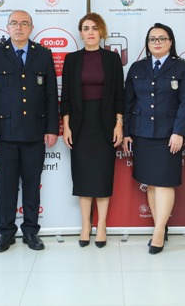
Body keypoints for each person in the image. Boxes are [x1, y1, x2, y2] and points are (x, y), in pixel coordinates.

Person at [0, 10, 59, 253]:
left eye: (24, 23)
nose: (19, 27)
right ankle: (6, 233)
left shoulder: (43, 54)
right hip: (4, 134)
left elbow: (50, 95)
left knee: (32, 185)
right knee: (6, 187)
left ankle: (30, 232)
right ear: (7, 27)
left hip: (35, 132)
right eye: (14, 23)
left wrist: (52, 128)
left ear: (31, 28)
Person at [123, 23, 185, 255]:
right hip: (142, 133)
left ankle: (159, 232)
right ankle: (159, 226)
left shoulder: (182, 68)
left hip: (168, 134)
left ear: (170, 42)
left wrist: (179, 132)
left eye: (162, 38)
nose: (157, 42)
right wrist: (126, 132)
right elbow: (128, 102)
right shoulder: (137, 67)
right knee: (151, 183)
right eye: (152, 39)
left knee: (164, 182)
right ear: (147, 43)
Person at [60, 13, 124, 248]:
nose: (90, 32)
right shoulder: (72, 59)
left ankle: (102, 225)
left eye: (95, 28)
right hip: (80, 124)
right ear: (80, 33)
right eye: (86, 28)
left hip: (105, 123)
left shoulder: (112, 59)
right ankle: (85, 225)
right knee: (83, 176)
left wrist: (119, 123)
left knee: (103, 175)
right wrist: (66, 126)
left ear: (101, 32)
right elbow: (66, 95)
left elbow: (119, 94)